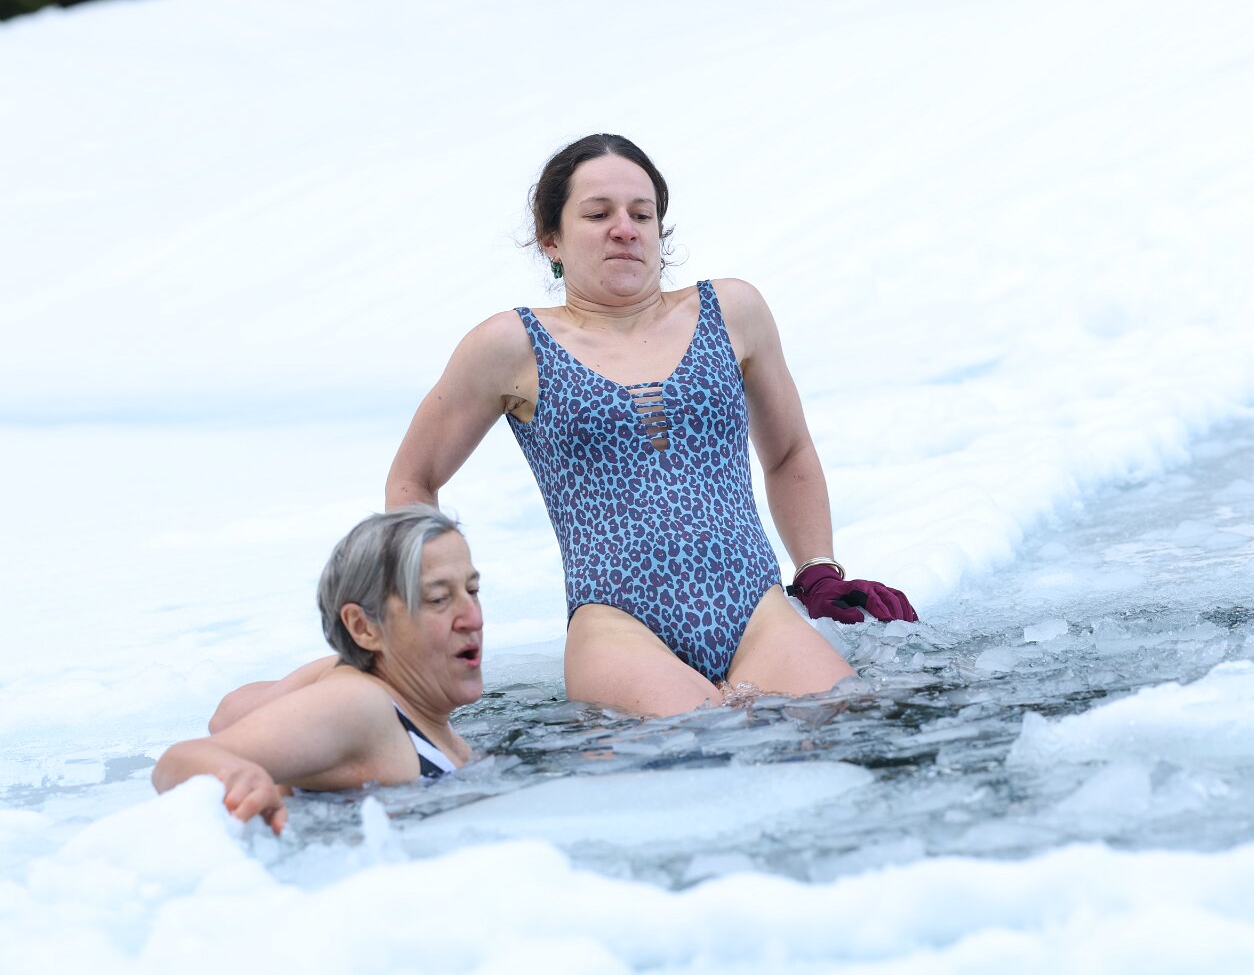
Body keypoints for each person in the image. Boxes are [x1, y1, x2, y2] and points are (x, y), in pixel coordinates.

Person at [386, 133, 916, 718]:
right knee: (693, 745)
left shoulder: (733, 311)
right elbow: (413, 480)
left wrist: (817, 568)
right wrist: (433, 603)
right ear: (551, 239)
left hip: (758, 613)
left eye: (642, 214)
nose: (625, 229)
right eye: (598, 214)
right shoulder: (510, 345)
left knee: (852, 722)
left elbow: (788, 451)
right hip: (617, 628)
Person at [152, 506, 483, 834]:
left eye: (472, 591)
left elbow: (229, 712)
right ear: (363, 627)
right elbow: (179, 760)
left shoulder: (397, 701)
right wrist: (237, 775)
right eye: (438, 599)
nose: (474, 618)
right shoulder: (359, 703)